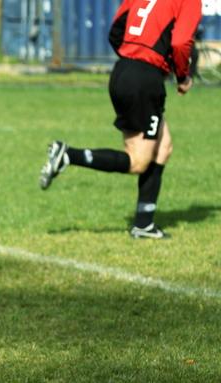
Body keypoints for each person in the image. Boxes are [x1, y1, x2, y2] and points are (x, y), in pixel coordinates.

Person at [38, 0, 202, 239]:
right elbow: (180, 42)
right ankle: (68, 155)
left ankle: (144, 224)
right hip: (144, 79)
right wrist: (182, 76)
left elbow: (116, 30)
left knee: (163, 147)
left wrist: (134, 59)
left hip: (122, 70)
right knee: (138, 161)